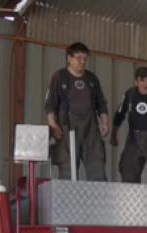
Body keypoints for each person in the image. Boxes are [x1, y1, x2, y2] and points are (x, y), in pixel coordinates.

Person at [44, 42, 109, 181]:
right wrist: (53, 126)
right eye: (78, 58)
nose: (82, 61)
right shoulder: (59, 76)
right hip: (67, 128)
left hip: (90, 129)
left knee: (97, 166)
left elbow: (101, 104)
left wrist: (104, 122)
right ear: (69, 58)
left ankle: (99, 201)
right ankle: (68, 202)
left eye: (85, 58)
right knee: (68, 170)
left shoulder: (92, 78)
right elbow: (50, 104)